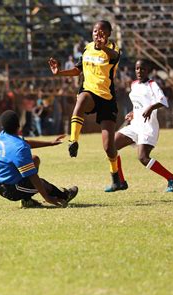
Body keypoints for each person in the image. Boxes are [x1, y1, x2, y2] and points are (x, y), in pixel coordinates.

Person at [48, 20, 124, 190]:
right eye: (95, 30)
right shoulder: (88, 48)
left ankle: (116, 178)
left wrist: (103, 46)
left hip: (107, 99)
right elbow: (78, 69)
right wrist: (59, 72)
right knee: (81, 100)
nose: (98, 33)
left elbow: (114, 57)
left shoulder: (113, 49)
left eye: (102, 31)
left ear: (109, 34)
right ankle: (73, 141)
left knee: (108, 147)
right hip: (90, 93)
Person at [110, 59, 173, 193]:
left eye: (143, 69)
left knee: (143, 158)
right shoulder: (134, 84)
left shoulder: (152, 85)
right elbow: (139, 104)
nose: (139, 71)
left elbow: (163, 101)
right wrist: (133, 113)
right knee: (111, 146)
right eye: (137, 69)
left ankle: (172, 179)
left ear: (148, 71)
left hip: (148, 126)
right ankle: (120, 181)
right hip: (135, 125)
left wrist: (151, 108)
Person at [0, 110, 78, 208]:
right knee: (42, 184)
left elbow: (25, 143)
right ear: (18, 125)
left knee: (34, 159)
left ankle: (27, 201)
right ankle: (64, 196)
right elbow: (32, 175)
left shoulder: (2, 135)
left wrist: (50, 143)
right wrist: (47, 197)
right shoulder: (19, 148)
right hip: (10, 189)